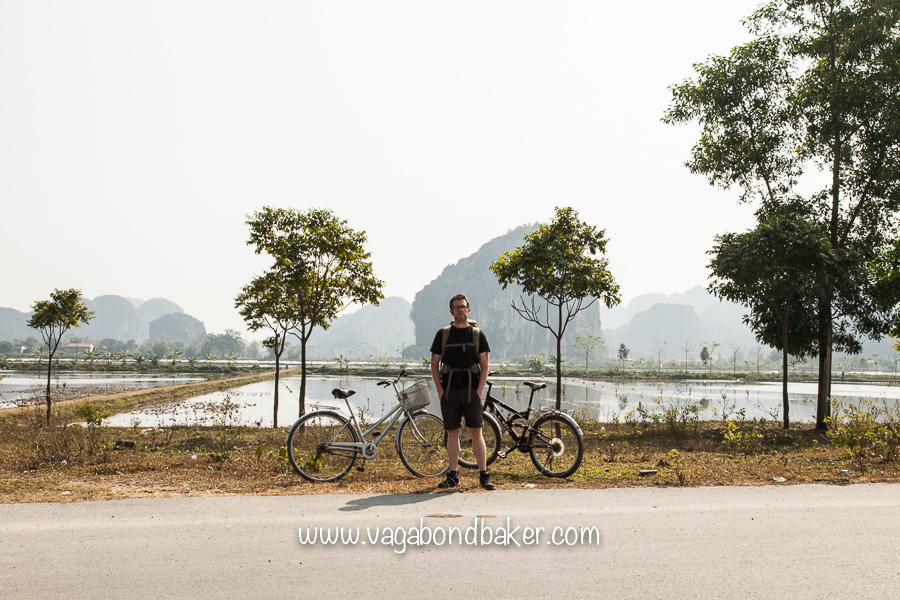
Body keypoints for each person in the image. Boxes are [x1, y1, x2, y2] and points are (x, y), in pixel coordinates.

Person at [430, 293, 495, 490]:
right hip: (449, 391)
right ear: (451, 311)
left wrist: (479, 390)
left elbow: (485, 364)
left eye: (463, 307)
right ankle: (453, 475)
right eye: (456, 307)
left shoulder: (477, 335)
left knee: (476, 431)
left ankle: (483, 475)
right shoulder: (443, 334)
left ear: (469, 309)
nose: (460, 310)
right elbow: (434, 363)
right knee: (452, 433)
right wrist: (440, 390)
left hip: (471, 391)